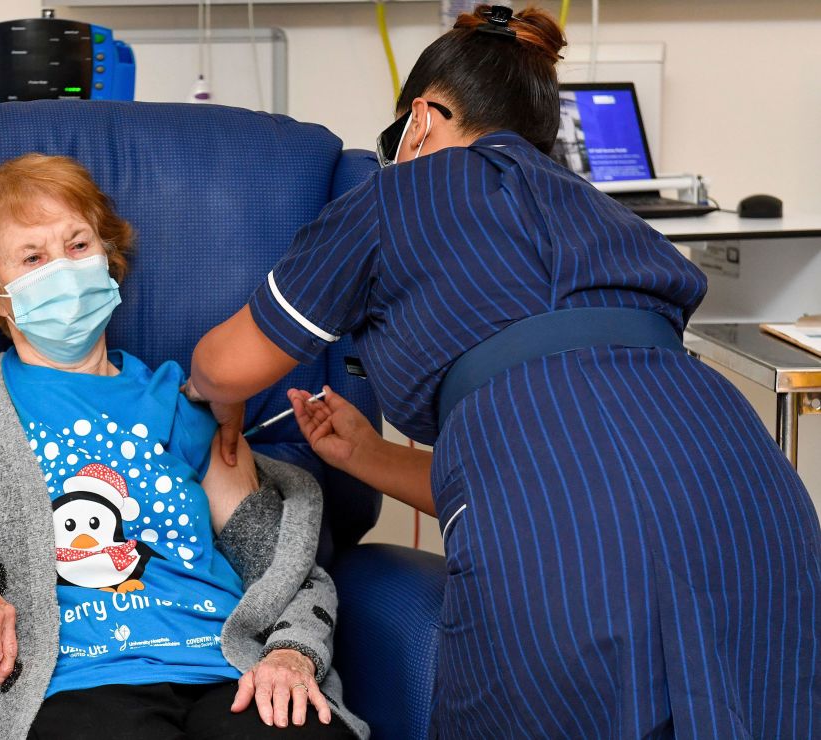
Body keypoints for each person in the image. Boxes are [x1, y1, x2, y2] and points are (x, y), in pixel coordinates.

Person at [187, 5, 820, 738]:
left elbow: (227, 364)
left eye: (397, 138)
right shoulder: (606, 214)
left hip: (565, 545)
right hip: (753, 505)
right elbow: (572, 455)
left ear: (420, 119)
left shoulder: (394, 197)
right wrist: (366, 456)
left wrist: (209, 398)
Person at [0, 154, 366, 740]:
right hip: (74, 683)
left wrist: (292, 654)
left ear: (108, 261)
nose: (63, 271)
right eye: (33, 258)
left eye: (77, 246)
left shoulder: (183, 404)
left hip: (227, 668)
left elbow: (282, 568)